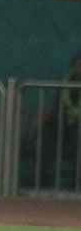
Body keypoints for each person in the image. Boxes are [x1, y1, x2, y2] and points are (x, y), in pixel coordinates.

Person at [41, 51, 81, 186]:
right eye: (77, 65)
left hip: (77, 128)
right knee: (45, 137)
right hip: (66, 125)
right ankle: (40, 178)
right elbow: (59, 107)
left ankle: (77, 183)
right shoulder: (66, 82)